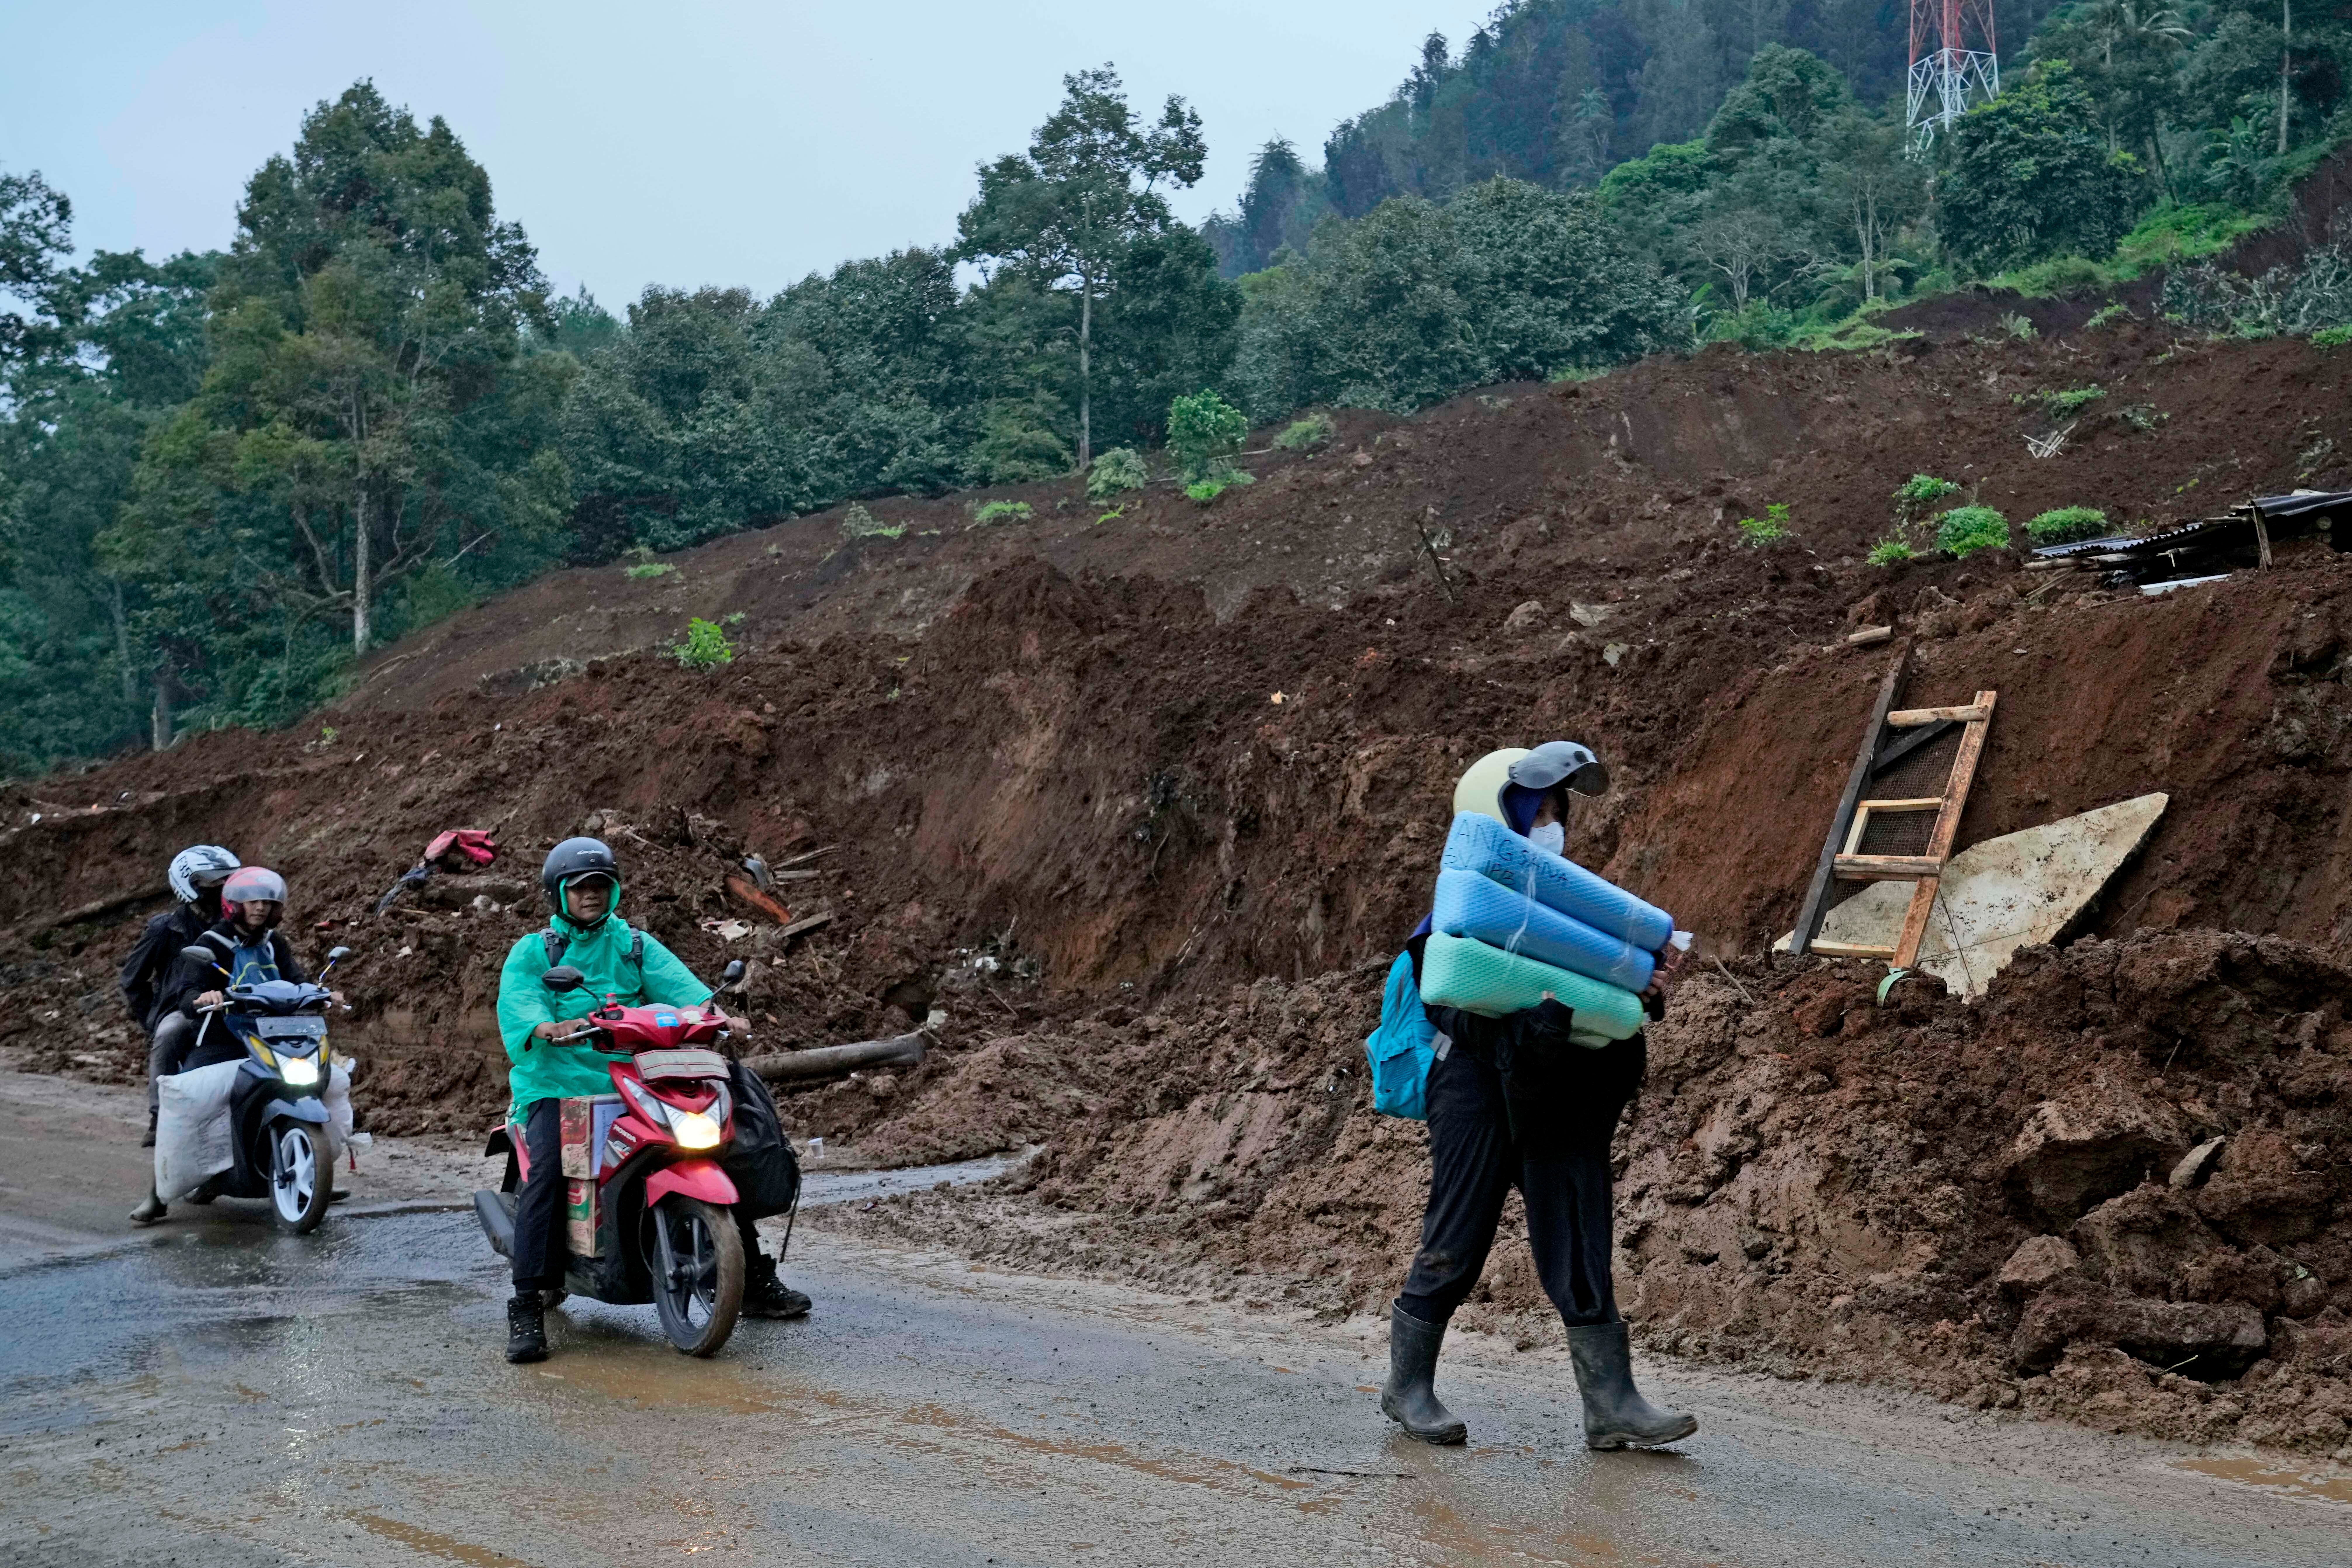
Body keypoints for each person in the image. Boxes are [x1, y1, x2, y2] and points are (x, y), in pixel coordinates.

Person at [1379, 742, 1698, 1451]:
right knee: (1456, 1236)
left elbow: (1610, 1010)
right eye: (1538, 812)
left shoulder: (1576, 923)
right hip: (1474, 1089)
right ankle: (1406, 1386)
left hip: (1563, 1088)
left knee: (1579, 1233)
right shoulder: (1448, 928)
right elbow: (1466, 1023)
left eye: (1557, 814)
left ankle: (1610, 1402)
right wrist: (1540, 1020)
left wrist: (1643, 991)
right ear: (1495, 816)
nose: (1550, 827)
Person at [494, 836, 810, 1364]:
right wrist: (546, 1026)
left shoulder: (633, 943)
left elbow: (683, 988)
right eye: (580, 887)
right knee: (548, 1173)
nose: (592, 895)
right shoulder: (535, 950)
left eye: (600, 885)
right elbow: (521, 1001)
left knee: (720, 1149)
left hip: (637, 1076)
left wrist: (716, 1014)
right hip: (561, 1083)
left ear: (613, 890)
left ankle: (752, 1279)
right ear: (560, 894)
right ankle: (527, 1302)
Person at [131, 866, 308, 1226]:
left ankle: (313, 1172)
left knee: (313, 1088)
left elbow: (297, 980)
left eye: (267, 902)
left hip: (271, 1038)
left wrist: (321, 992)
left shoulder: (275, 943)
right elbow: (186, 996)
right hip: (220, 1040)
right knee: (189, 1107)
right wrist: (204, 996)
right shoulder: (210, 943)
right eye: (252, 901)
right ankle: (158, 1193)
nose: (260, 908)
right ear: (235, 905)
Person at [121, 846, 240, 1147]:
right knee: (168, 1034)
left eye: (226, 881)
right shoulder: (165, 929)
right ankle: (158, 1117)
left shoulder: (237, 925)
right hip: (185, 1007)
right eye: (214, 883)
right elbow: (133, 980)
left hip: (232, 1002)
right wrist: (152, 1018)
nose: (221, 888)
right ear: (190, 886)